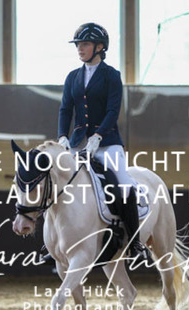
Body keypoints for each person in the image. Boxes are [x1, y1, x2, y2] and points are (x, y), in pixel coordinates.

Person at [56, 22, 149, 260]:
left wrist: (98, 136)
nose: (80, 48)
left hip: (107, 142)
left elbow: (112, 110)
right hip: (78, 143)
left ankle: (135, 242)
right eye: (78, 44)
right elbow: (65, 110)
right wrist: (63, 136)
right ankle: (53, 245)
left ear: (99, 47)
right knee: (58, 185)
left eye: (85, 44)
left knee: (123, 186)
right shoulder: (72, 77)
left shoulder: (111, 76)